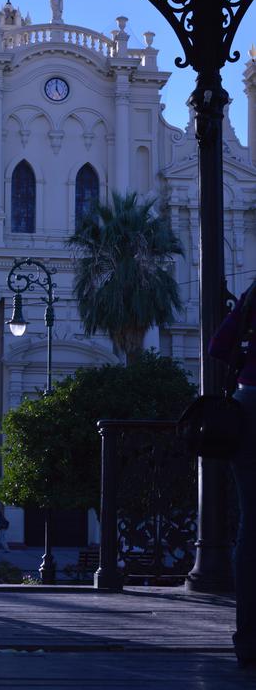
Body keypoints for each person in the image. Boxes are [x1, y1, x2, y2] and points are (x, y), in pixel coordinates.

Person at [209, 279, 256, 668]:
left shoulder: (252, 295)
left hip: (248, 406)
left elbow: (218, 348)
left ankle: (248, 638)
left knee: (251, 525)